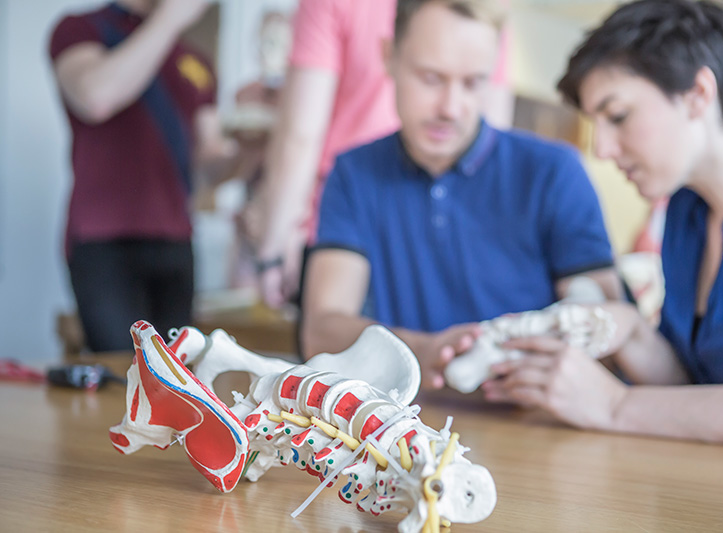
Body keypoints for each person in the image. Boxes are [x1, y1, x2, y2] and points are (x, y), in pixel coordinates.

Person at [482, 0, 723, 449]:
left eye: (618, 117)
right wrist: (628, 330)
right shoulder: (688, 209)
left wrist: (614, 406)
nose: (605, 149)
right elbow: (688, 391)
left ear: (698, 94)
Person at [301, 0, 623, 389]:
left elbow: (608, 335)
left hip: (538, 427)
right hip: (409, 428)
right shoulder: (354, 173)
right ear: (389, 57)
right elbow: (320, 330)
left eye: (473, 83)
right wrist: (425, 349)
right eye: (431, 78)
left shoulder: (556, 172)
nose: (450, 108)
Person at [240, 0, 515, 309]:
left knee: (338, 346)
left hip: (339, 226)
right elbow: (492, 135)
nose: (449, 107)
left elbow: (300, 135)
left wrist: (275, 243)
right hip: (428, 233)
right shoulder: (485, 10)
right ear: (389, 55)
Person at [49, 0, 241, 351]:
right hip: (103, 239)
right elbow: (95, 97)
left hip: (176, 240)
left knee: (177, 374)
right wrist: (171, 17)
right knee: (121, 370)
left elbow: (209, 164)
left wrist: (248, 150)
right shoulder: (80, 30)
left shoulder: (195, 61)